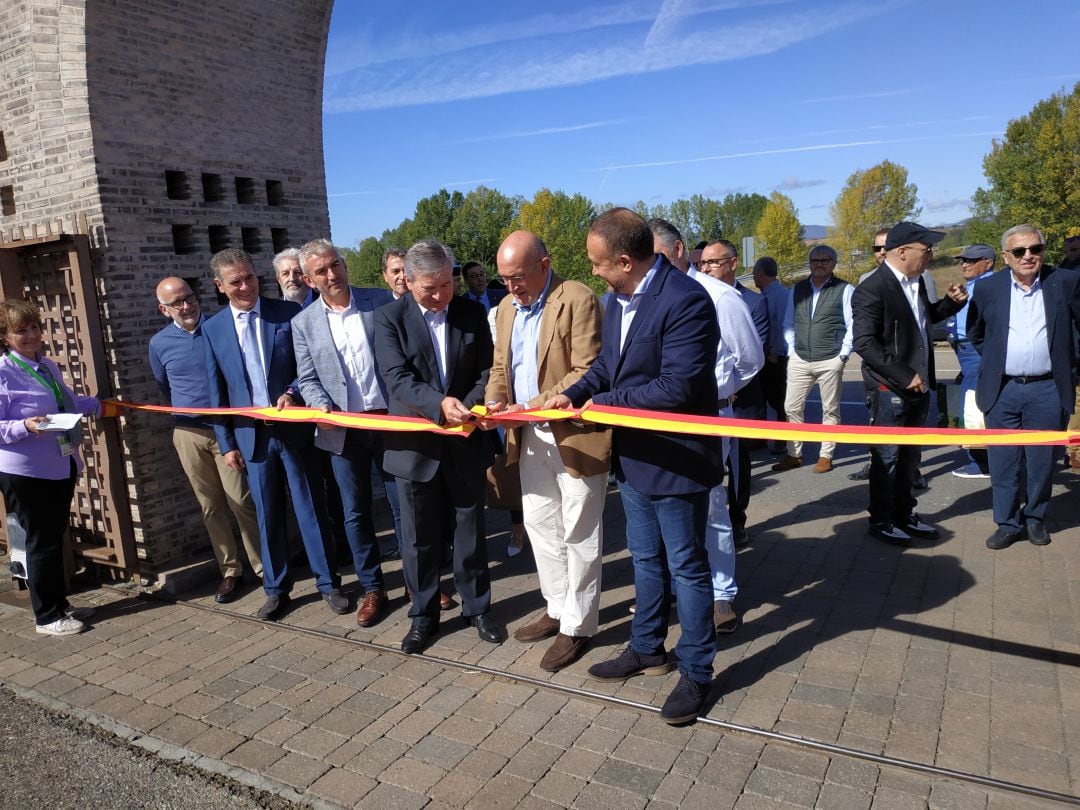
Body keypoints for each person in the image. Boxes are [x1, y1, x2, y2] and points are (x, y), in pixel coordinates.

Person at [549, 208, 722, 725]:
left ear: (625, 260)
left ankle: (696, 671)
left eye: (599, 264)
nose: (594, 273)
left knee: (688, 569)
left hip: (676, 458)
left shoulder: (687, 301)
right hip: (636, 457)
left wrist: (605, 405)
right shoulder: (618, 300)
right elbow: (608, 365)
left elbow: (678, 386)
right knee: (646, 560)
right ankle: (647, 648)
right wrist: (574, 392)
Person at [485, 230, 610, 672]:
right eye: (503, 279)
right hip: (526, 434)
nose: (511, 287)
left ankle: (578, 626)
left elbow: (588, 369)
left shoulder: (576, 297)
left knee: (580, 531)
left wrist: (531, 406)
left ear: (544, 263)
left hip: (574, 435)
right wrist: (497, 400)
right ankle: (557, 607)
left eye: (517, 277)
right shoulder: (503, 309)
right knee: (540, 524)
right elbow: (501, 367)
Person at [374, 240, 505, 652]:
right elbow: (396, 378)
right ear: (407, 281)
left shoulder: (471, 312)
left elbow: (488, 368)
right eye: (429, 289)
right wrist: (439, 405)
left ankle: (477, 607)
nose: (439, 296)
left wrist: (468, 405)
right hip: (415, 448)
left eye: (446, 285)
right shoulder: (387, 318)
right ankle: (423, 615)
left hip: (465, 441)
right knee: (418, 539)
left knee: (470, 531)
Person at [202, 248, 345, 621]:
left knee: (311, 507)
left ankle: (329, 583)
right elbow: (216, 393)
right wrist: (227, 443)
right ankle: (277, 589)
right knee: (267, 515)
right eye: (236, 282)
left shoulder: (287, 314)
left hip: (293, 429)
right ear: (220, 286)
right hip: (252, 438)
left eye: (250, 277)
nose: (246, 286)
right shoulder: (212, 329)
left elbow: (305, 367)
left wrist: (293, 392)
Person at [649, 220, 762, 630]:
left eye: (655, 258)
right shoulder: (646, 298)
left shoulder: (720, 297)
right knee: (665, 506)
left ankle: (720, 593)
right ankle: (677, 589)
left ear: (678, 250)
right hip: (657, 417)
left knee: (712, 506)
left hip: (709, 415)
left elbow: (750, 359)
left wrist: (720, 391)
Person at [291, 239, 390, 628]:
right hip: (342, 429)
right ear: (309, 279)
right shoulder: (303, 323)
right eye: (321, 271)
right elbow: (307, 377)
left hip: (389, 421)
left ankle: (421, 583)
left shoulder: (380, 300)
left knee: (405, 506)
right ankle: (372, 587)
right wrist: (320, 405)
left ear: (345, 265)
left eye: (335, 265)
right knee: (355, 512)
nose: (331, 275)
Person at [149, 277, 263, 603]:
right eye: (177, 303)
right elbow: (164, 386)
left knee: (241, 500)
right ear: (163, 309)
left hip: (225, 430)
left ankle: (262, 567)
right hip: (187, 433)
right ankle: (230, 570)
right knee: (210, 505)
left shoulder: (218, 328)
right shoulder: (159, 343)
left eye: (189, 298)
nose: (187, 307)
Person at [968, 225, 1080, 550]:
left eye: (1035, 249)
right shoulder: (988, 289)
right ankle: (1006, 522)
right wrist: (995, 363)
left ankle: (1035, 519)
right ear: (1005, 256)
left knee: (1042, 460)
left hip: (1047, 389)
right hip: (1002, 389)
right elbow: (976, 333)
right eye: (1019, 251)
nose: (1028, 256)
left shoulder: (1065, 281)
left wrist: (1070, 364)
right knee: (1003, 461)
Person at [852, 222, 966, 544]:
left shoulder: (915, 282)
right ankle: (882, 521)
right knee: (887, 458)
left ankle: (904, 514)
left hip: (920, 387)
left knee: (910, 458)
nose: (931, 254)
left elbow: (923, 320)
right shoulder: (872, 289)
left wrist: (950, 304)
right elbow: (865, 343)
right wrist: (904, 374)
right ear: (902, 252)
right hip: (891, 390)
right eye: (926, 249)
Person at [0, 300, 100, 635]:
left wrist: (99, 404)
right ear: (5, 336)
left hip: (60, 463)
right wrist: (23, 427)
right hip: (27, 471)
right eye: (20, 330)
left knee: (53, 537)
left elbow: (66, 404)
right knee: (40, 541)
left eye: (33, 327)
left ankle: (59, 604)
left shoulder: (46, 366)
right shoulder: (3, 372)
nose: (30, 335)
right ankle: (46, 616)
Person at [702, 239, 769, 544]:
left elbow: (753, 354)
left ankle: (737, 518)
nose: (706, 268)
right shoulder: (698, 296)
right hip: (717, 399)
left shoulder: (751, 302)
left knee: (739, 464)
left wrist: (729, 385)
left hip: (740, 398)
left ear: (733, 263)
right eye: (703, 263)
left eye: (713, 262)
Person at [773, 245, 853, 474]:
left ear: (833, 263)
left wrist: (843, 354)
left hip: (830, 358)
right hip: (800, 357)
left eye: (824, 260)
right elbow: (789, 322)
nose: (819, 264)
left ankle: (826, 455)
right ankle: (794, 454)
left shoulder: (845, 290)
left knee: (830, 409)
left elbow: (852, 325)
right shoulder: (797, 290)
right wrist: (792, 350)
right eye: (814, 260)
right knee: (791, 407)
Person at [949, 245, 996, 479]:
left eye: (971, 260)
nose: (964, 264)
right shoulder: (974, 286)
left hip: (975, 351)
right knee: (969, 403)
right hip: (965, 352)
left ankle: (980, 463)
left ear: (988, 263)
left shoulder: (988, 286)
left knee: (973, 406)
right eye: (963, 260)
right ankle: (980, 460)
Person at [753, 257, 790, 452]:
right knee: (767, 398)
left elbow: (781, 326)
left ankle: (782, 440)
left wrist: (775, 353)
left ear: (760, 274)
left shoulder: (779, 295)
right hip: (770, 355)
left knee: (779, 400)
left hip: (776, 357)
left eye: (754, 274)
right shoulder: (770, 294)